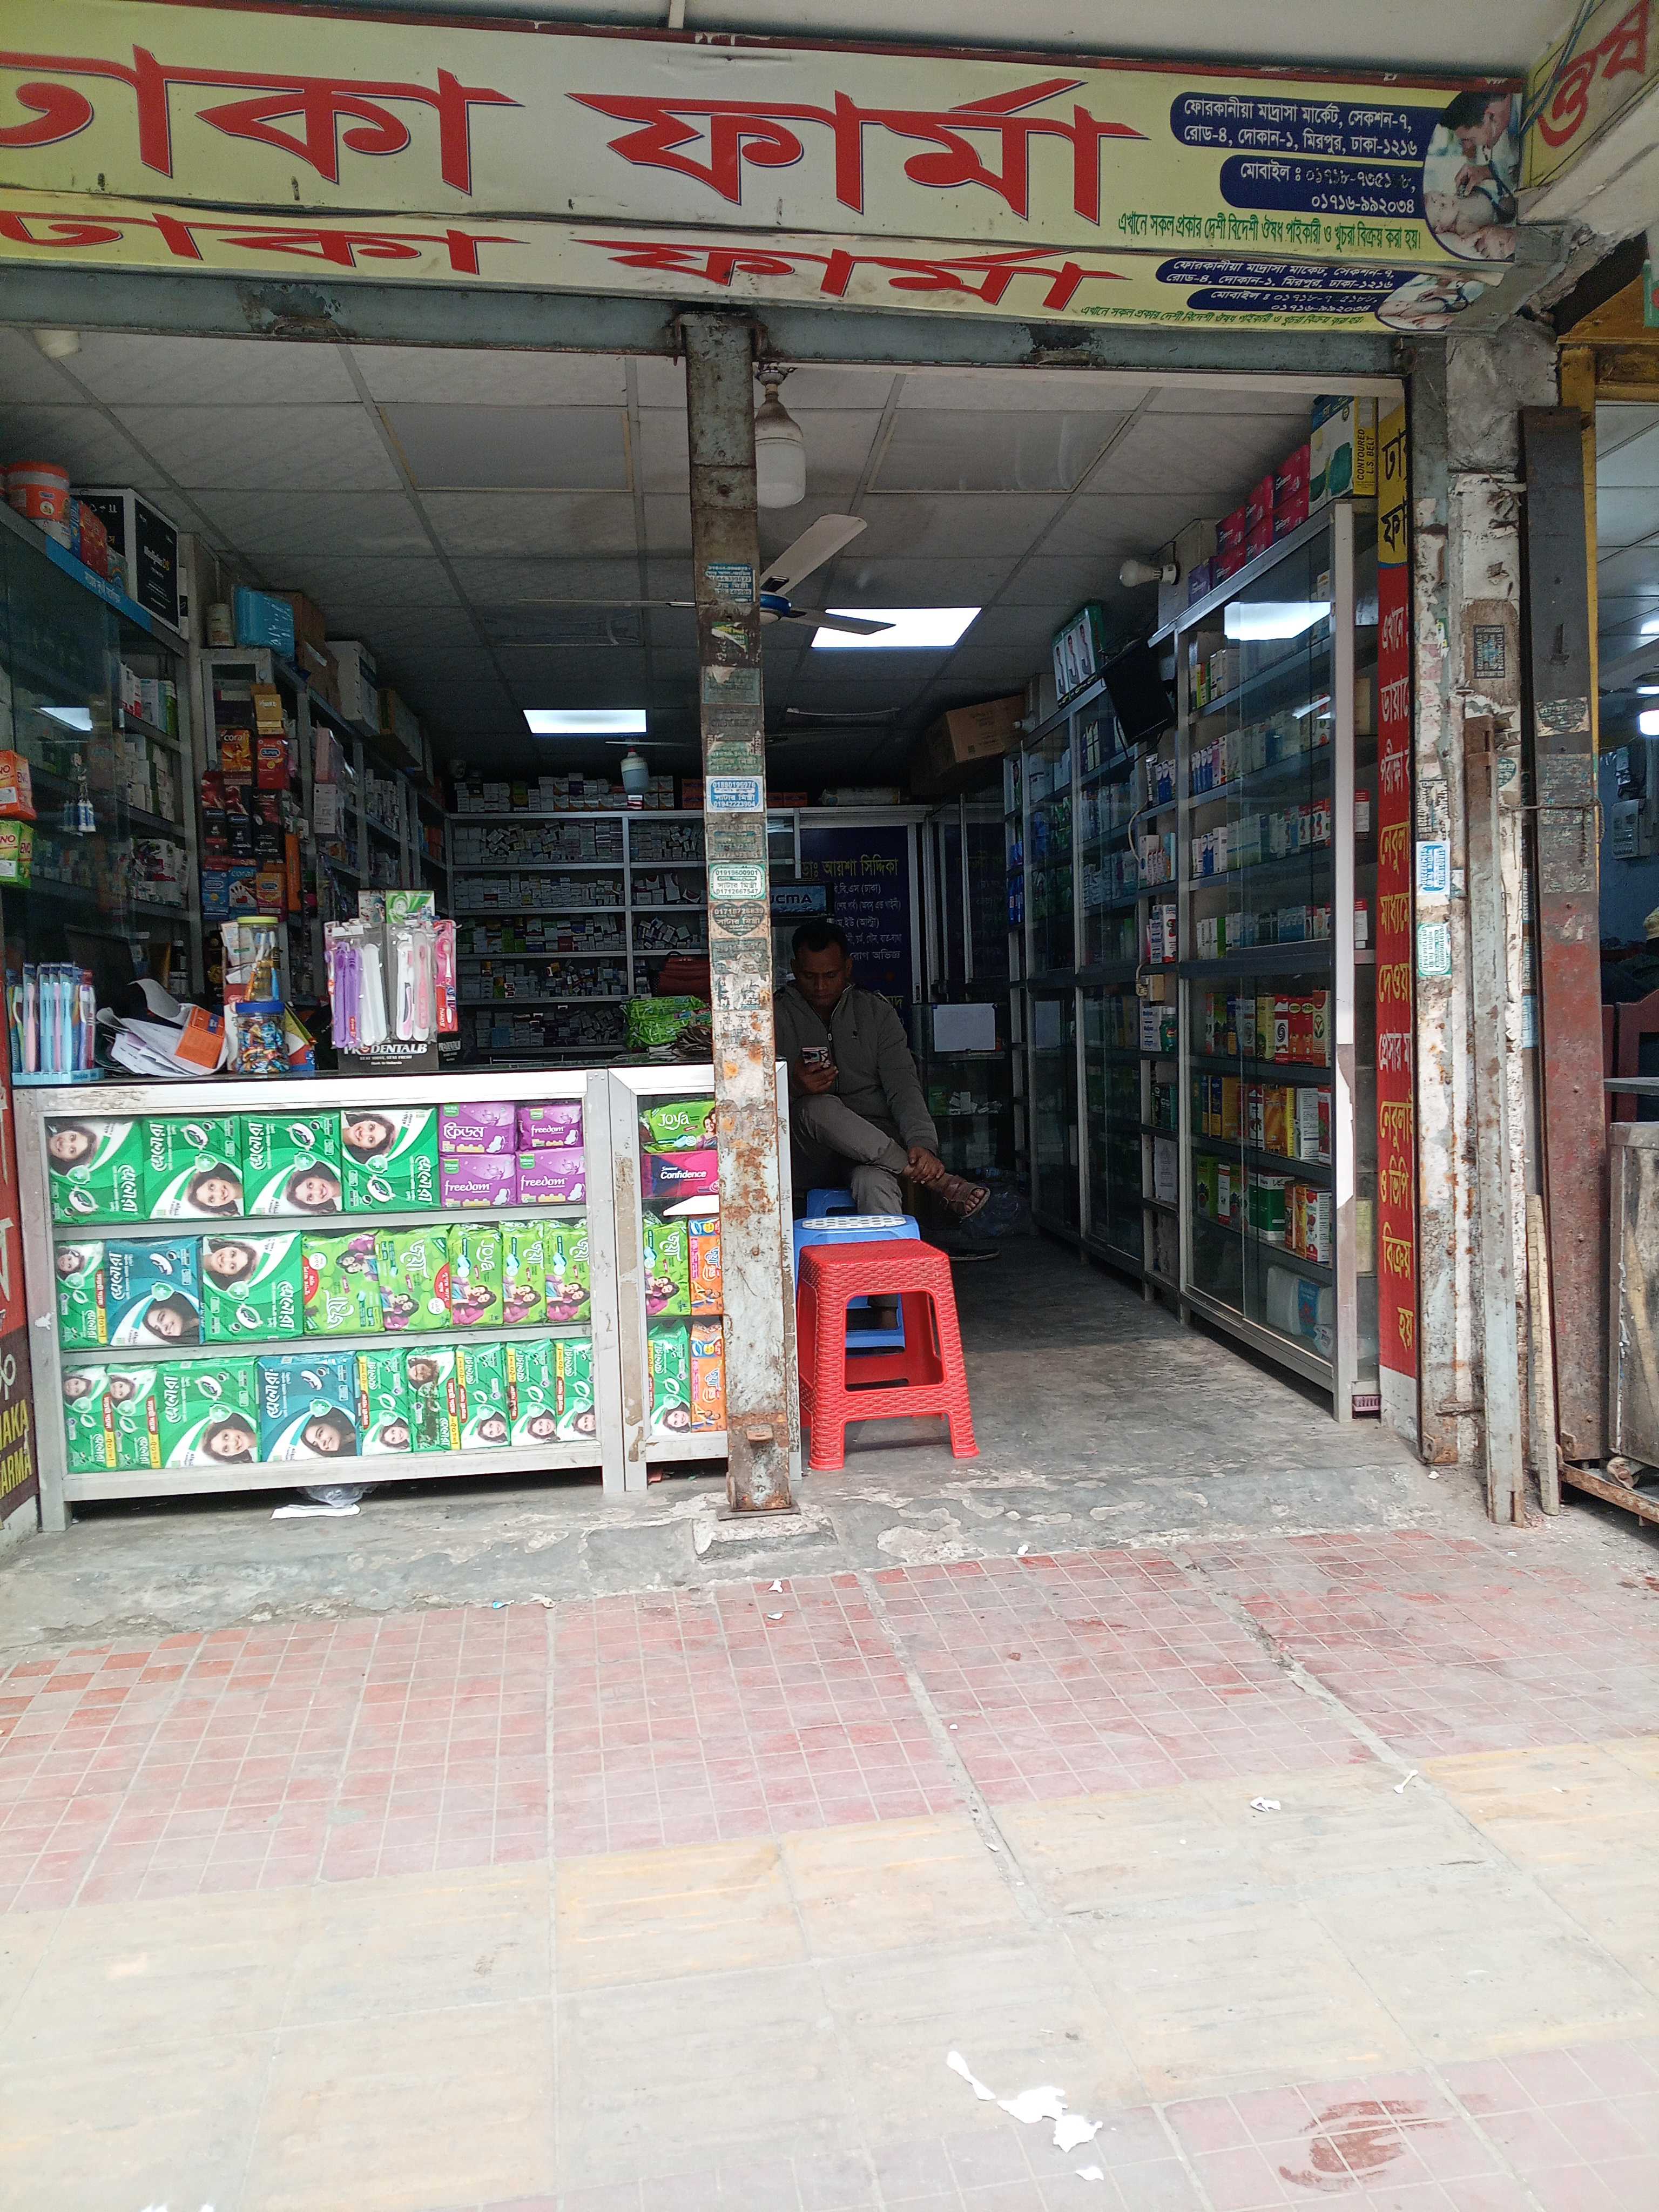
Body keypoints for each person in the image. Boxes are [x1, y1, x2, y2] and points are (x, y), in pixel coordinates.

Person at [773, 921, 988, 1223]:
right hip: (808, 1152)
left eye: (830, 975)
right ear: (795, 969)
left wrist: (923, 1145)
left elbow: (904, 1087)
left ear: (848, 968)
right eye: (810, 976)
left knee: (874, 1184)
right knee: (817, 1107)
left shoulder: (876, 1012)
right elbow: (751, 1101)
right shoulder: (773, 1016)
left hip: (876, 1149)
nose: (820, 987)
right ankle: (937, 1182)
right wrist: (794, 1087)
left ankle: (890, 1254)